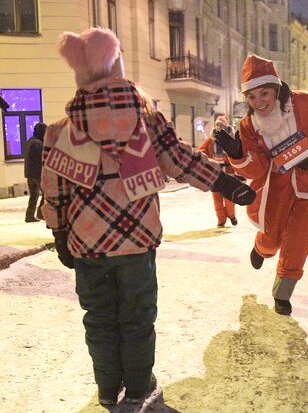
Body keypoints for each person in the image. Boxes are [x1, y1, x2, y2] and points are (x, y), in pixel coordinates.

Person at [41, 28, 256, 407]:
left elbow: (53, 189)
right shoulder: (146, 121)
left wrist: (59, 233)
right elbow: (181, 160)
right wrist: (224, 181)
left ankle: (108, 387)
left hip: (87, 245)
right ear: (118, 69)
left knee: (100, 318)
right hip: (138, 240)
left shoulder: (62, 131)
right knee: (138, 318)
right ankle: (139, 385)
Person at [215, 54, 308, 316]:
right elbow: (257, 168)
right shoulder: (249, 125)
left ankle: (284, 290)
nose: (259, 102)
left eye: (264, 94)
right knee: (272, 237)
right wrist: (238, 154)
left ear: (275, 89)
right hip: (277, 186)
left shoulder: (305, 102)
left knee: (299, 238)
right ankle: (262, 248)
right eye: (252, 97)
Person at [199, 115, 239, 227]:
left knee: (229, 197)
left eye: (221, 125)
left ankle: (231, 215)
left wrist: (226, 158)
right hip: (215, 173)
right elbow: (202, 150)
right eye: (217, 125)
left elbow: (238, 153)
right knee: (217, 199)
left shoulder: (232, 139)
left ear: (225, 127)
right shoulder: (211, 139)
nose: (218, 127)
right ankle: (221, 220)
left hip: (228, 172)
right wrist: (207, 159)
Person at [24, 122, 47, 222]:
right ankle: (40, 213)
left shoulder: (31, 141)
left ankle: (29, 216)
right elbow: (42, 159)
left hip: (29, 173)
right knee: (46, 193)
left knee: (34, 195)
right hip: (37, 173)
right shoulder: (37, 144)